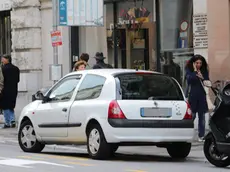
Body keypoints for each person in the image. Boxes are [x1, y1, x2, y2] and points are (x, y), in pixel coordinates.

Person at [185, 54, 209, 141]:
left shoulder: (203, 70)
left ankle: (201, 135)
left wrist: (202, 77)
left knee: (202, 117)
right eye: (197, 63)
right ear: (193, 63)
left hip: (201, 96)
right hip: (192, 96)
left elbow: (207, 81)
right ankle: (187, 134)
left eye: (200, 63)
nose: (199, 64)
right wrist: (195, 71)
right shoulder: (189, 70)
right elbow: (189, 80)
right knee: (192, 116)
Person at [0, 54, 20, 128]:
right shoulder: (16, 68)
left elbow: (1, 80)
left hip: (5, 89)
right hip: (14, 89)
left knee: (5, 107)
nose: (2, 60)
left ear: (6, 59)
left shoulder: (3, 69)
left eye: (3, 59)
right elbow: (18, 80)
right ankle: (13, 120)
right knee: (11, 106)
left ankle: (7, 122)